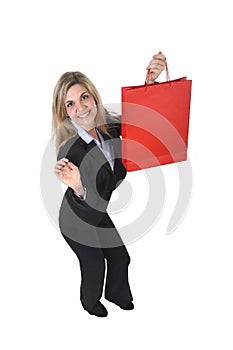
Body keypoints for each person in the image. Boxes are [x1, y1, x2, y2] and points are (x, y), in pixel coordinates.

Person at [53, 52, 166, 317]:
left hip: (98, 210)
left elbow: (142, 120)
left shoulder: (110, 128)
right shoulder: (69, 150)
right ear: (64, 112)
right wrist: (78, 186)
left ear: (94, 96)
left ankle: (116, 293)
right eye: (70, 105)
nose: (80, 108)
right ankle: (90, 304)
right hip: (76, 217)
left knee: (120, 257)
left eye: (84, 97)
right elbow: (82, 196)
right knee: (94, 265)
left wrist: (150, 82)